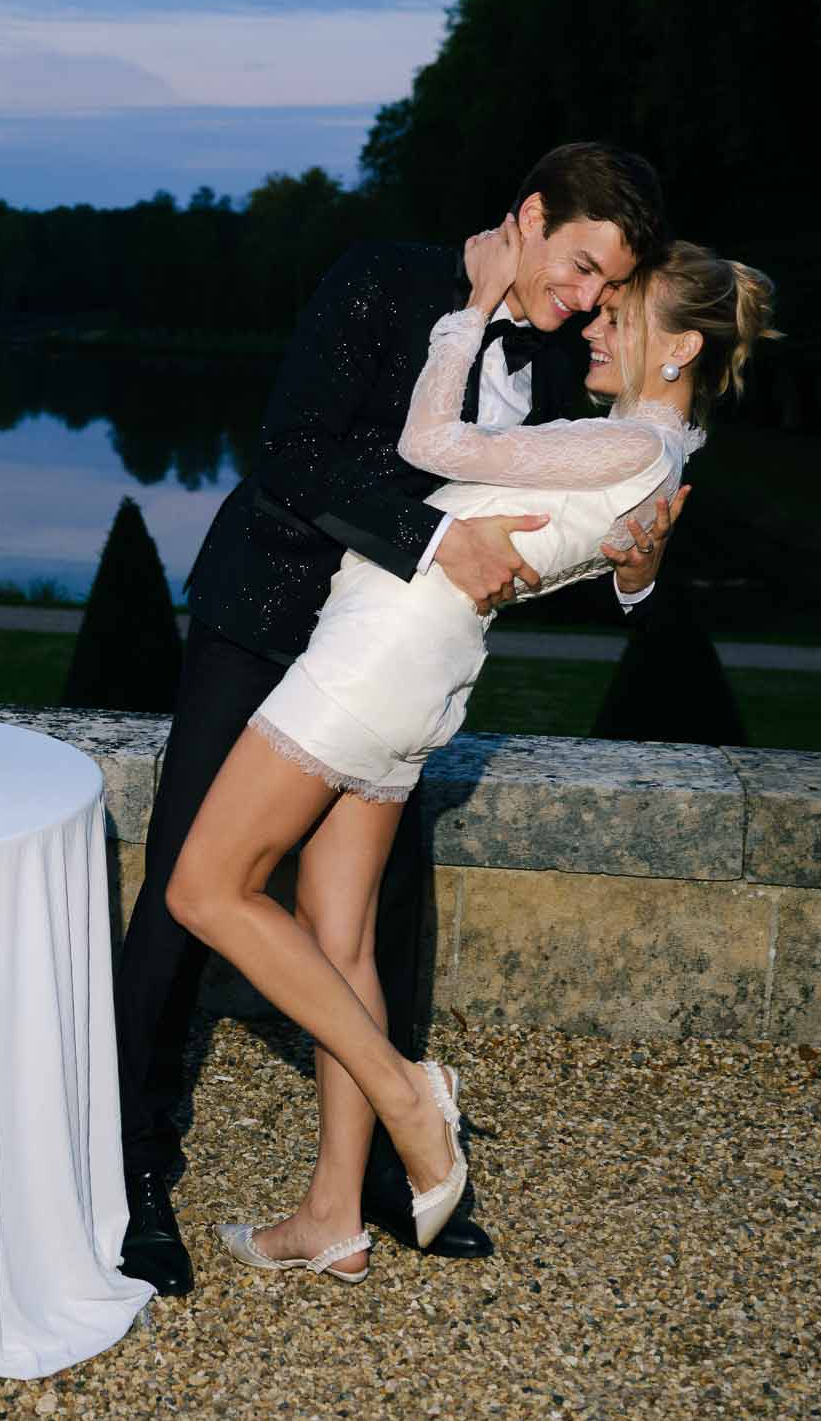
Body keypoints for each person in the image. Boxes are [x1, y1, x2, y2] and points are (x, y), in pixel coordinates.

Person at [114, 141, 670, 1296]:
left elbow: (548, 533)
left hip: (386, 656)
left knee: (376, 918)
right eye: (579, 268)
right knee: (181, 894)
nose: (584, 304)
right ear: (529, 214)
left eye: (607, 289)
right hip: (267, 618)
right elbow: (291, 453)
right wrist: (433, 541)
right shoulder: (380, 277)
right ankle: (132, 1173)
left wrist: (633, 568)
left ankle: (370, 1182)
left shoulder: (555, 366)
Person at [166, 233, 778, 1279]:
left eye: (618, 317)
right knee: (340, 937)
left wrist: (477, 301)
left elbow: (434, 441)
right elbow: (624, 579)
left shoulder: (629, 446)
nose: (592, 327)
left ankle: (408, 1093)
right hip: (415, 664)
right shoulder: (655, 455)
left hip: (378, 656)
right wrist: (639, 566)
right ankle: (331, 1216)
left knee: (204, 888)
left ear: (678, 348)